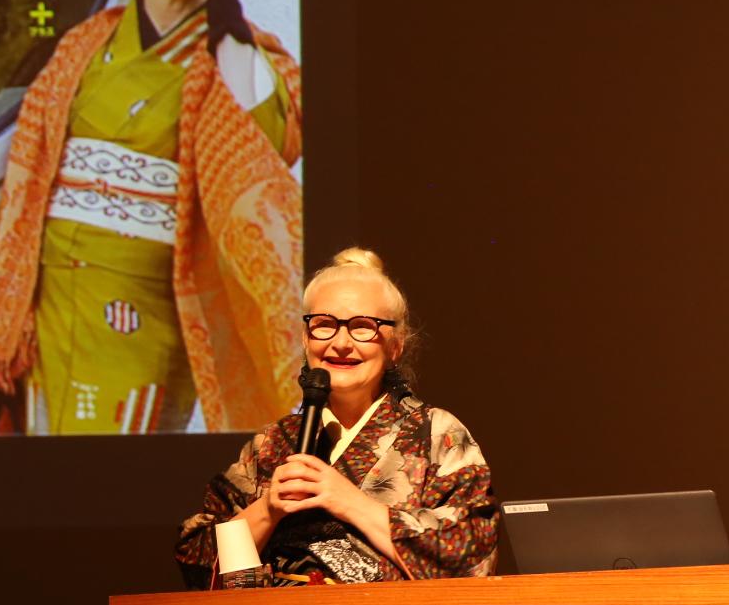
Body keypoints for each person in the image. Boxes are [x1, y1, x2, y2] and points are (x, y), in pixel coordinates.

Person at [0, 0, 304, 436]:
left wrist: (228, 33)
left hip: (144, 316)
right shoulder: (84, 46)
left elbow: (266, 151)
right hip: (48, 310)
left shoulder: (239, 54)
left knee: (109, 476)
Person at [175, 248, 499, 586]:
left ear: (396, 345)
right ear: (305, 338)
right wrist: (267, 508)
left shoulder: (436, 433)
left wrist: (347, 500)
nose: (340, 343)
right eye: (324, 326)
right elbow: (197, 562)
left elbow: (472, 551)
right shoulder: (272, 444)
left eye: (362, 327)